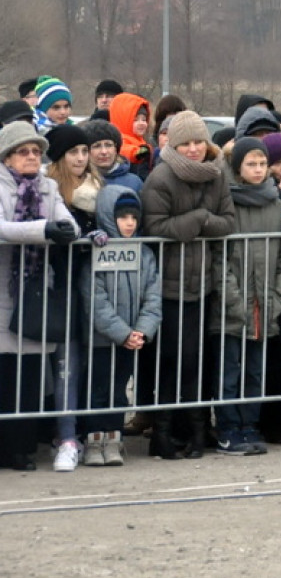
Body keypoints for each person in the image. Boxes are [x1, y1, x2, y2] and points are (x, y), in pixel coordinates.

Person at [141, 110, 236, 458]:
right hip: (168, 285)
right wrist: (198, 220)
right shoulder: (161, 178)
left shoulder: (217, 175)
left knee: (197, 362)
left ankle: (197, 432)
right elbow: (155, 228)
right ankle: (163, 434)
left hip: (203, 285)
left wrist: (201, 222)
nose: (194, 148)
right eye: (186, 143)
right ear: (174, 145)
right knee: (170, 361)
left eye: (199, 141)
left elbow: (228, 222)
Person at [0, 122, 79, 471]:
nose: (31, 157)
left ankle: (22, 450)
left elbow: (68, 224)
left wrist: (63, 229)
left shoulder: (48, 187)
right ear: (7, 157)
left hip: (35, 291)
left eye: (35, 151)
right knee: (4, 371)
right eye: (23, 151)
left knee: (30, 376)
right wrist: (42, 230)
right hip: (4, 288)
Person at [209, 138, 281, 454]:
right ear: (238, 167)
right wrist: (233, 299)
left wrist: (279, 295)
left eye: (262, 164)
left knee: (255, 371)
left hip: (264, 302)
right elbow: (220, 257)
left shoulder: (276, 203)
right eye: (251, 164)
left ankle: (249, 424)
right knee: (229, 370)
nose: (258, 170)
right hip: (233, 303)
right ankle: (227, 427)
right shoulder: (227, 201)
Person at [78, 186, 161, 467]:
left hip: (131, 338)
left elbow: (153, 296)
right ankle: (93, 440)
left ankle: (114, 440)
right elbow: (95, 301)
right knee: (98, 390)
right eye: (123, 217)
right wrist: (123, 333)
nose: (129, 223)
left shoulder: (145, 254)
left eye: (133, 218)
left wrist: (141, 331)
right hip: (102, 339)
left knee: (117, 390)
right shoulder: (96, 253)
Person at [43, 124, 105, 471]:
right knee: (61, 367)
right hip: (57, 288)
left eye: (84, 152)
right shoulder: (51, 192)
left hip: (90, 292)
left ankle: (78, 432)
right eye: (74, 153)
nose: (82, 158)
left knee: (80, 365)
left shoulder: (99, 190)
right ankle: (63, 435)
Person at [108, 92, 154, 180]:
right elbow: (124, 150)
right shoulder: (120, 140)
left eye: (144, 119)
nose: (141, 123)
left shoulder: (141, 141)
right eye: (135, 120)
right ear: (123, 120)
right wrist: (136, 153)